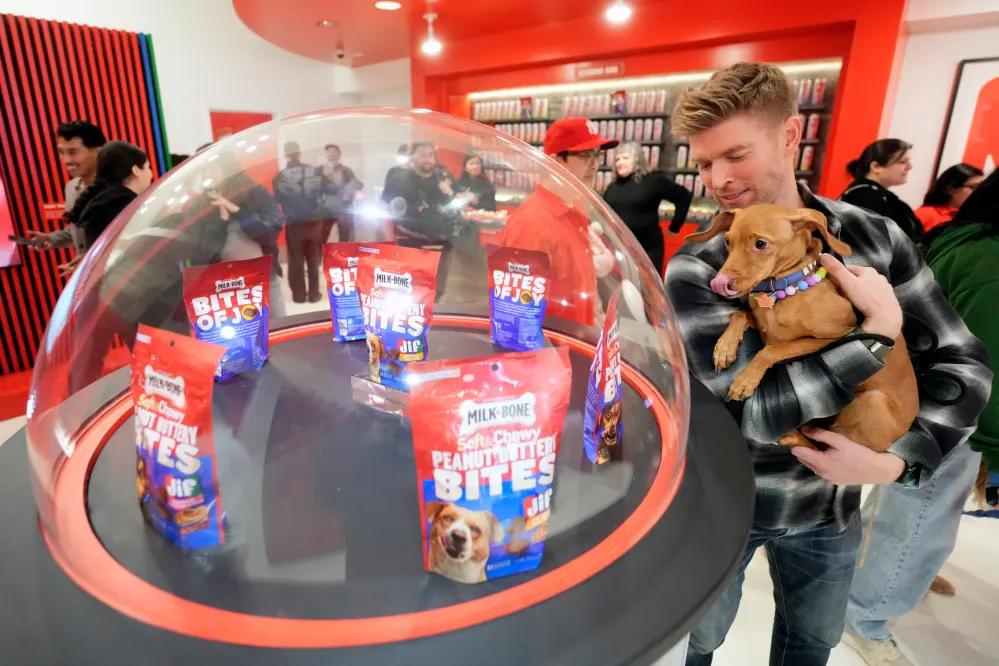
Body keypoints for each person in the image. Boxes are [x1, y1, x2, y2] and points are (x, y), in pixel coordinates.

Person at [664, 62, 991, 666]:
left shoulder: (876, 239)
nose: (719, 179)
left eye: (735, 154)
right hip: (724, 503)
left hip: (830, 511)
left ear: (791, 136)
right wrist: (878, 334)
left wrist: (898, 462)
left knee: (812, 644)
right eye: (704, 162)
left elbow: (964, 365)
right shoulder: (701, 265)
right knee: (696, 643)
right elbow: (757, 411)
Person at [841, 169, 999, 665]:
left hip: (919, 393)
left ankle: (876, 581)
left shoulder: (967, 240)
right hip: (949, 411)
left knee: (903, 505)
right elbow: (984, 368)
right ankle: (868, 612)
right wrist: (993, 449)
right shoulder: (990, 265)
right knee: (923, 514)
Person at [496, 118, 618, 326]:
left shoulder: (577, 205)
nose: (595, 165)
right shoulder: (529, 225)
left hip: (581, 336)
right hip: (556, 341)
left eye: (598, 155)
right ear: (554, 161)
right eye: (586, 155)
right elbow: (517, 318)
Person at [195, 146, 287, 318]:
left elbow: (270, 232)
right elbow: (202, 246)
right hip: (226, 285)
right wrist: (222, 219)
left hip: (263, 277)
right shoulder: (201, 203)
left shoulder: (254, 192)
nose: (207, 174)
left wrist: (236, 210)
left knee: (276, 325)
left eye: (211, 168)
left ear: (226, 167)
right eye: (203, 169)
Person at [60, 140, 153, 275]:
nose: (150, 174)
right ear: (136, 170)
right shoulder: (126, 205)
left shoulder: (104, 202)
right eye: (148, 167)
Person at [603, 141, 692, 275]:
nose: (620, 162)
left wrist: (675, 226)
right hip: (618, 249)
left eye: (625, 158)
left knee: (647, 287)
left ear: (637, 159)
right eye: (617, 159)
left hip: (648, 250)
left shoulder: (653, 181)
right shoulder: (612, 187)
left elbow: (683, 196)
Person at [27, 121, 107, 264]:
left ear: (98, 151)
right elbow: (80, 231)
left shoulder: (121, 188)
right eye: (61, 152)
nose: (66, 160)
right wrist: (51, 239)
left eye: (72, 152)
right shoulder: (71, 187)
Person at [840, 139, 923, 242]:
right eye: (902, 162)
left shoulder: (876, 196)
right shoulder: (865, 197)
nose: (909, 167)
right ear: (876, 167)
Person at [273, 141, 326, 303]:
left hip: (294, 222)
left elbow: (278, 199)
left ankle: (299, 295)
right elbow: (324, 191)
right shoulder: (313, 171)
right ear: (299, 153)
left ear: (286, 155)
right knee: (312, 257)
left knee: (296, 259)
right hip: (314, 222)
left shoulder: (279, 177)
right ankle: (314, 294)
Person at [380, 140, 456, 247]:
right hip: (409, 241)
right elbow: (384, 209)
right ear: (412, 157)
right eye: (422, 155)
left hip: (444, 242)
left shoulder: (443, 179)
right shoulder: (398, 180)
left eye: (430, 155)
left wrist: (450, 192)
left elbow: (456, 207)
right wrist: (389, 240)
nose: (427, 160)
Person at [913, 163, 983, 233]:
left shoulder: (976, 222)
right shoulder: (924, 215)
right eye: (974, 187)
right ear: (951, 188)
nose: (979, 193)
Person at [318, 143, 363, 243]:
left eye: (333, 152)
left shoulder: (346, 171)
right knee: (321, 237)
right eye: (328, 152)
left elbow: (357, 185)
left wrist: (349, 191)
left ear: (339, 154)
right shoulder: (319, 170)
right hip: (325, 208)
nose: (330, 154)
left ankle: (342, 252)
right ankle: (321, 253)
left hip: (343, 208)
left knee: (344, 237)